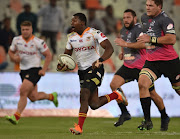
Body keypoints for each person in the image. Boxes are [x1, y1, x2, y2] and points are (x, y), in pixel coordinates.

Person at [57, 13, 127, 135]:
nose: (71, 23)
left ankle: (79, 127)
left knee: (84, 93)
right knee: (94, 104)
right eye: (72, 21)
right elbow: (66, 57)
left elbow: (109, 48)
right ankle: (116, 95)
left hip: (95, 68)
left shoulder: (94, 33)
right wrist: (61, 65)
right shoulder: (71, 37)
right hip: (82, 72)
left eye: (74, 21)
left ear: (82, 22)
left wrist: (100, 60)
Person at [112, 9, 169, 131]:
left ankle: (164, 116)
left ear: (134, 18)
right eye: (124, 18)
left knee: (152, 94)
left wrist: (126, 45)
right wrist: (122, 53)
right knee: (113, 85)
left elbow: (144, 45)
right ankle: (125, 113)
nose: (125, 20)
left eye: (128, 17)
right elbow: (124, 43)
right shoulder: (123, 30)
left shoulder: (140, 30)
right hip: (127, 66)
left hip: (141, 67)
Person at [137, 0, 180, 131]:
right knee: (142, 84)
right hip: (152, 62)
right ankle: (148, 120)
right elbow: (147, 38)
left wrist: (151, 39)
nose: (147, 8)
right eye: (146, 5)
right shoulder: (144, 18)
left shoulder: (166, 20)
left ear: (159, 7)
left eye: (151, 5)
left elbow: (172, 39)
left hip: (170, 62)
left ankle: (164, 117)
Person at [5, 21, 58, 125]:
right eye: (23, 29)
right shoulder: (16, 40)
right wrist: (14, 58)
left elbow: (48, 55)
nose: (25, 31)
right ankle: (52, 96)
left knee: (23, 90)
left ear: (31, 30)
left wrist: (43, 69)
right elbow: (10, 52)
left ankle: (16, 116)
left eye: (27, 29)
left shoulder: (38, 42)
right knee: (33, 97)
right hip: (23, 70)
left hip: (35, 70)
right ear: (21, 30)